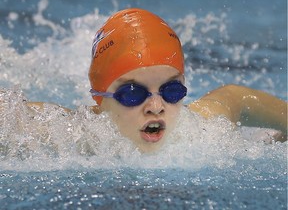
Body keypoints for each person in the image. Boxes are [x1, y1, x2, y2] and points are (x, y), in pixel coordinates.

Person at [26, 8, 286, 152]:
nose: (156, 105)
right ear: (99, 98)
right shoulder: (68, 135)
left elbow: (236, 97)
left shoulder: (204, 131)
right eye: (132, 93)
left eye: (171, 90)